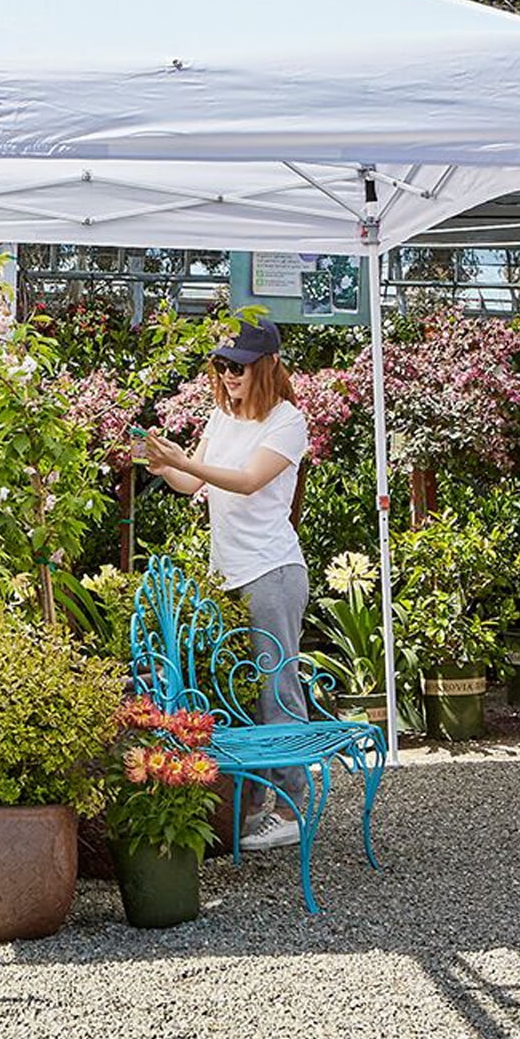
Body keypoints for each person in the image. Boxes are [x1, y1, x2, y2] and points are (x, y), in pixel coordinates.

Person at [142, 316, 310, 850]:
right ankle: (253, 803)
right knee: (238, 692)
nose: (228, 375)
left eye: (238, 367)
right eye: (221, 365)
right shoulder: (221, 417)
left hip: (271, 572)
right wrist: (161, 463)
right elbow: (194, 482)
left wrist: (186, 462)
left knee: (275, 691)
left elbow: (246, 480)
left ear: (267, 366)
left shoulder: (287, 421)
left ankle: (289, 809)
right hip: (227, 575)